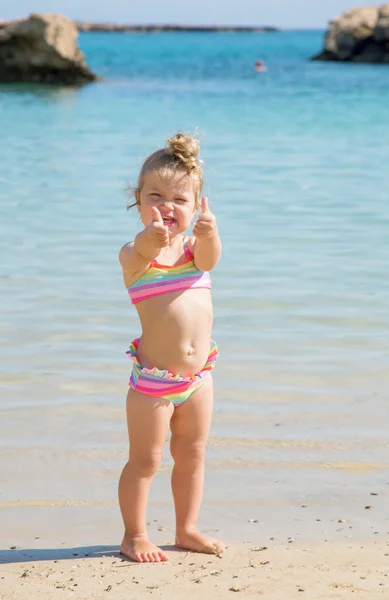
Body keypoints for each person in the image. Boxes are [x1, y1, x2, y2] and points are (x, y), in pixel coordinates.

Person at [118, 133, 224, 563]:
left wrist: (211, 232)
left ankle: (186, 529)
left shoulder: (197, 252)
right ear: (138, 202)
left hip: (199, 378)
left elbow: (213, 260)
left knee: (193, 454)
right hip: (153, 382)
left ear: (197, 203)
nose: (167, 206)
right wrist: (152, 239)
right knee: (146, 461)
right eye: (155, 197)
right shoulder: (135, 255)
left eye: (180, 199)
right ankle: (135, 535)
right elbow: (142, 247)